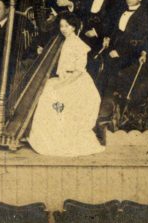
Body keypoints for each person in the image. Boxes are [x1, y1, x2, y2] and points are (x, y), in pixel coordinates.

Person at [26, 12, 104, 157]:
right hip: (63, 79)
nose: (63, 29)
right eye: (61, 26)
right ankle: (46, 138)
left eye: (67, 26)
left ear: (74, 27)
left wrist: (62, 85)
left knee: (55, 98)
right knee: (46, 95)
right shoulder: (63, 41)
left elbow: (78, 72)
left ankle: (60, 139)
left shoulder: (79, 45)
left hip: (76, 82)